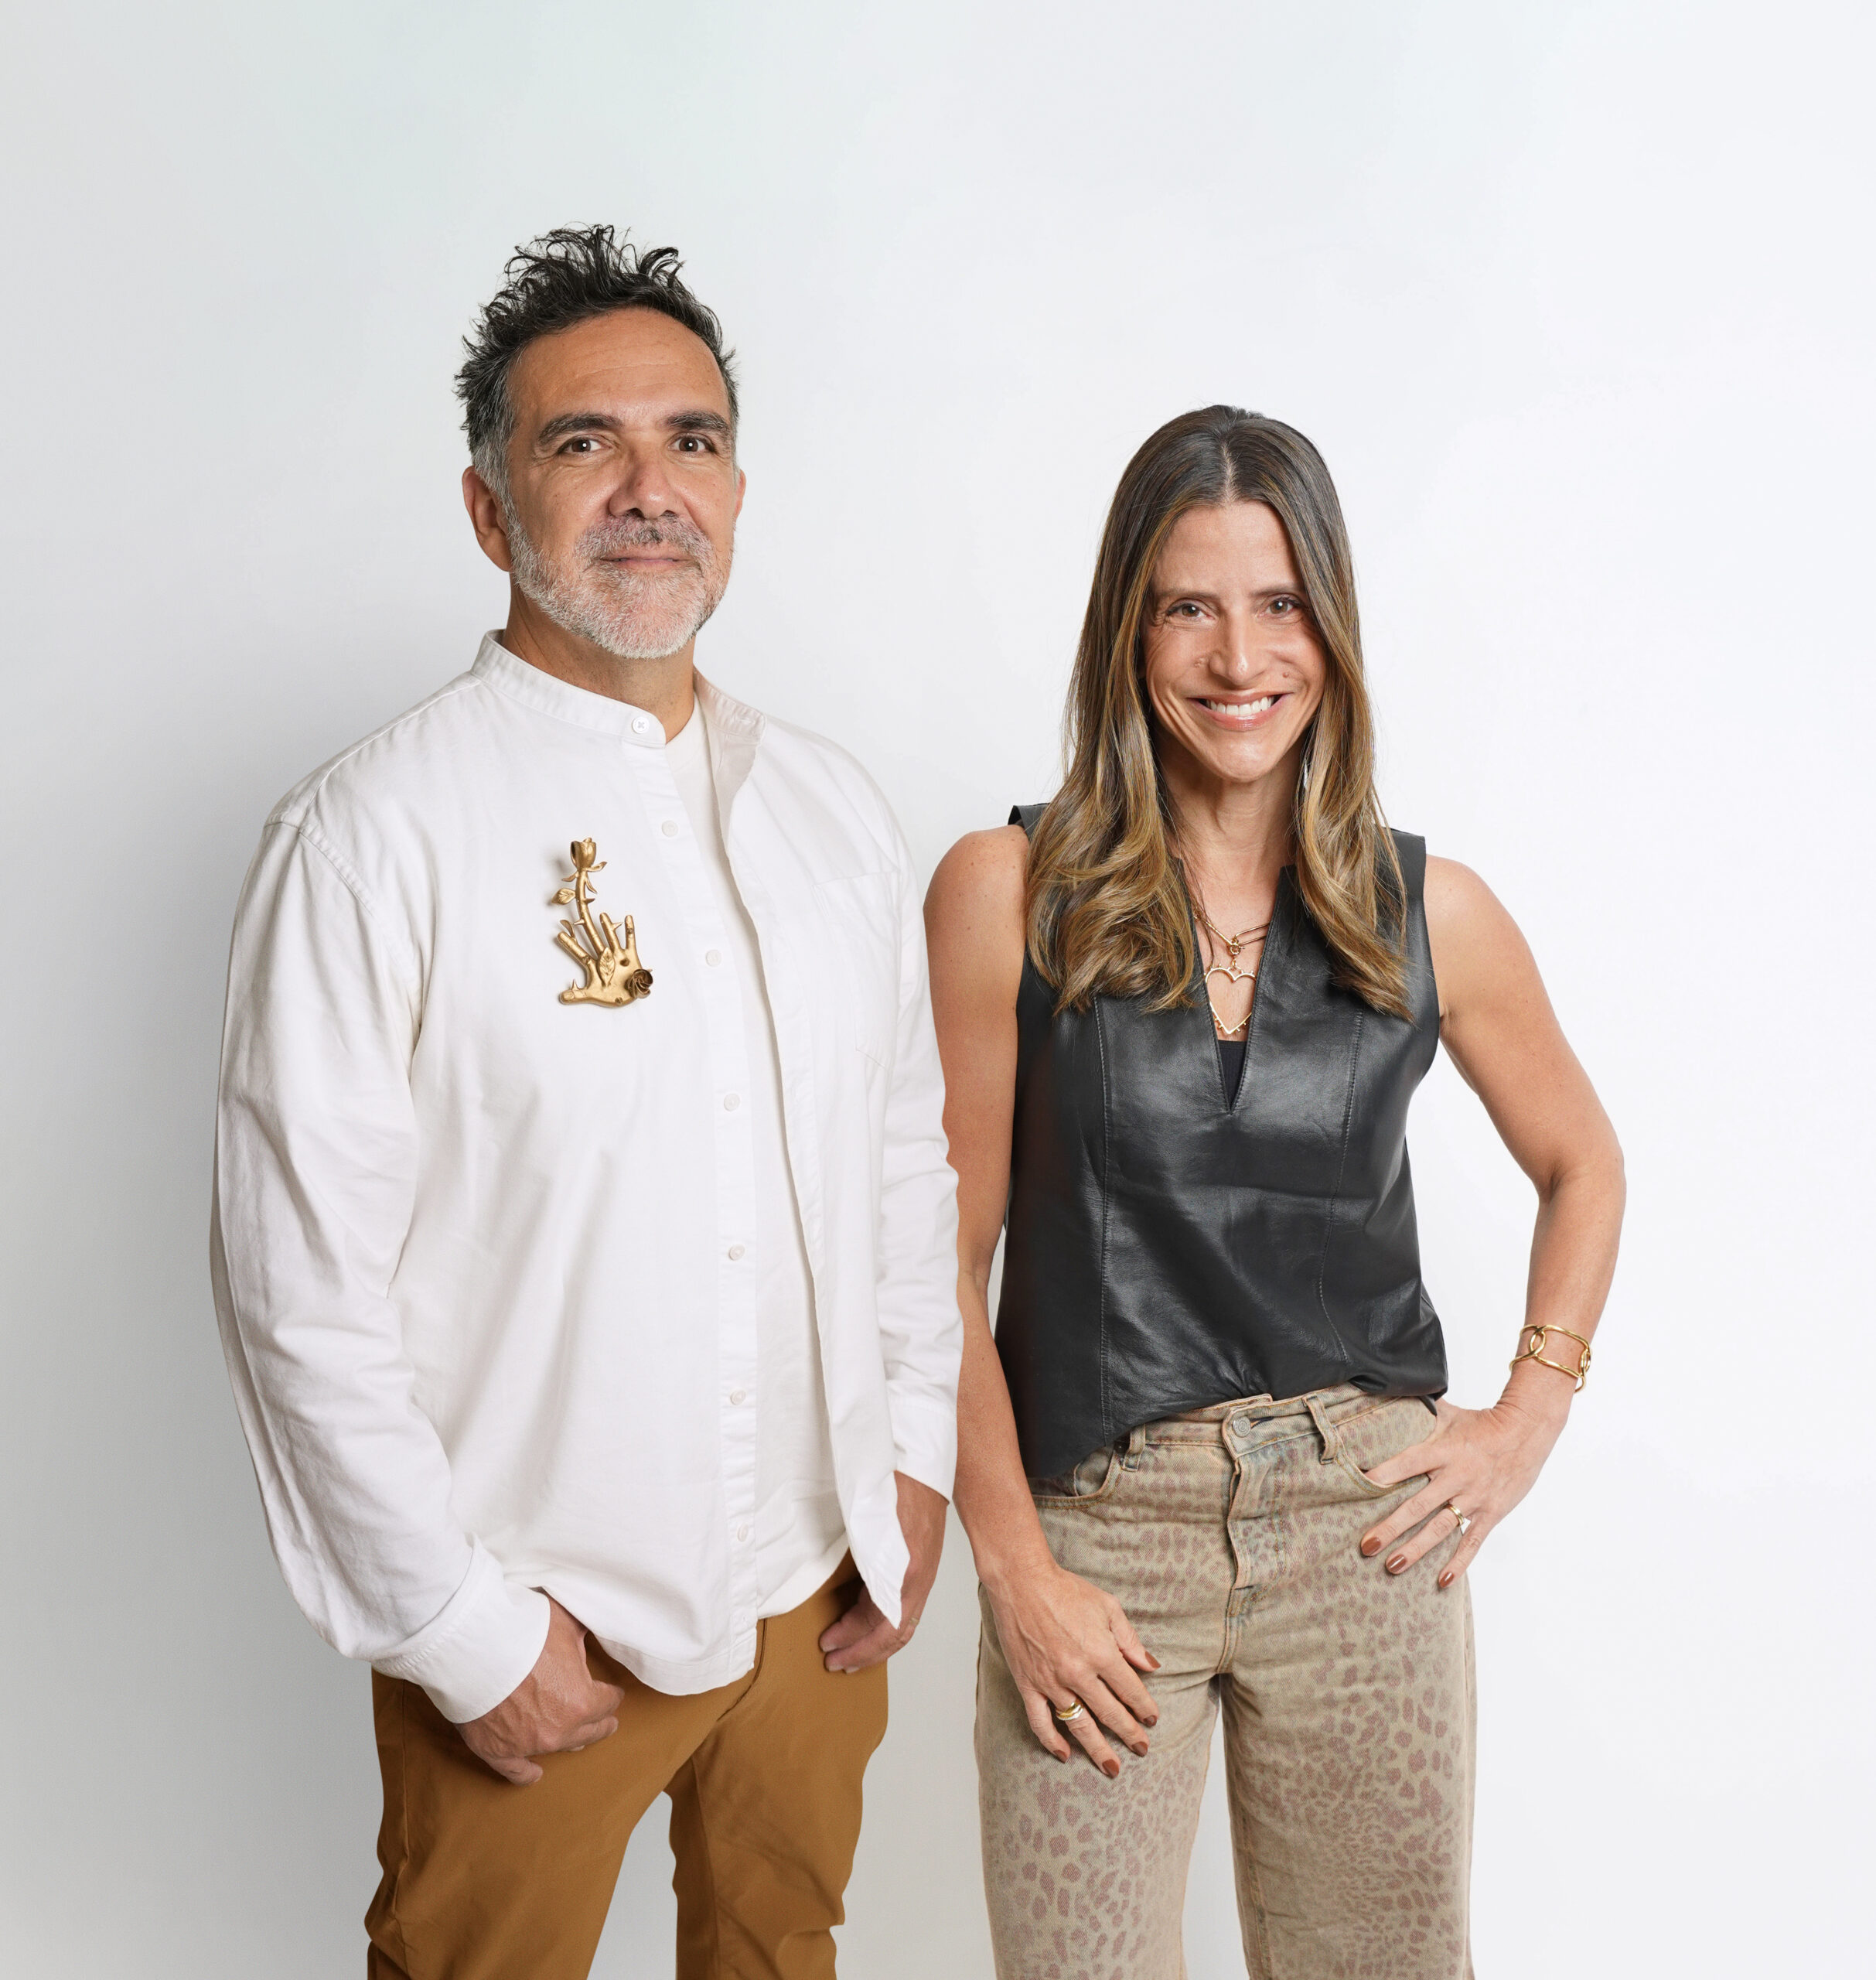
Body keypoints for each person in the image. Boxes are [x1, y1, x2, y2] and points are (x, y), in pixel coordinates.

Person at [211, 226, 962, 1980]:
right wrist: (459, 1631)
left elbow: (899, 1168)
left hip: (815, 1598)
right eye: (583, 443)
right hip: (545, 1622)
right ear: (491, 511)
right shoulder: (371, 836)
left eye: (691, 441)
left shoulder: (832, 812)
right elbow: (296, 1290)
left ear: (737, 491)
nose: (649, 489)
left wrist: (911, 1457)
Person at [925, 407, 1625, 1979]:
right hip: (1101, 1530)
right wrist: (1014, 1567)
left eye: (1279, 604)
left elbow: (1583, 1159)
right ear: (1126, 628)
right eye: (1188, 604)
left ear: (1332, 628)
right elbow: (939, 1259)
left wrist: (1525, 1416)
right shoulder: (1005, 892)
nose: (1238, 656)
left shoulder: (1430, 909)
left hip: (1365, 1529)